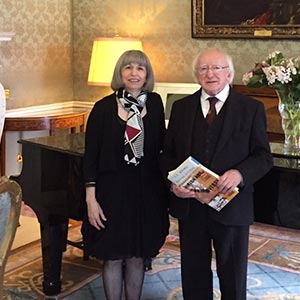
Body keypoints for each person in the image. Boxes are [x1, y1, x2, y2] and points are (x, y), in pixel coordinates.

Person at [161, 49, 273, 300]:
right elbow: (166, 155)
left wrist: (240, 173)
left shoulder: (251, 108)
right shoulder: (181, 108)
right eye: (203, 69)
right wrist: (173, 184)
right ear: (196, 75)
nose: (210, 74)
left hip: (232, 206)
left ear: (229, 74)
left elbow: (263, 157)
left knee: (232, 275)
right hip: (190, 208)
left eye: (217, 68)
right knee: (193, 273)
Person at [82, 50, 169, 300]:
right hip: (111, 194)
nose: (134, 73)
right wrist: (91, 199)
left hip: (147, 194)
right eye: (128, 67)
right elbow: (91, 158)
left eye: (140, 68)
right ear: (120, 73)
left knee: (137, 257)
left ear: (147, 75)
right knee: (112, 256)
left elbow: (161, 148)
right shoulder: (102, 109)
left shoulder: (154, 103)